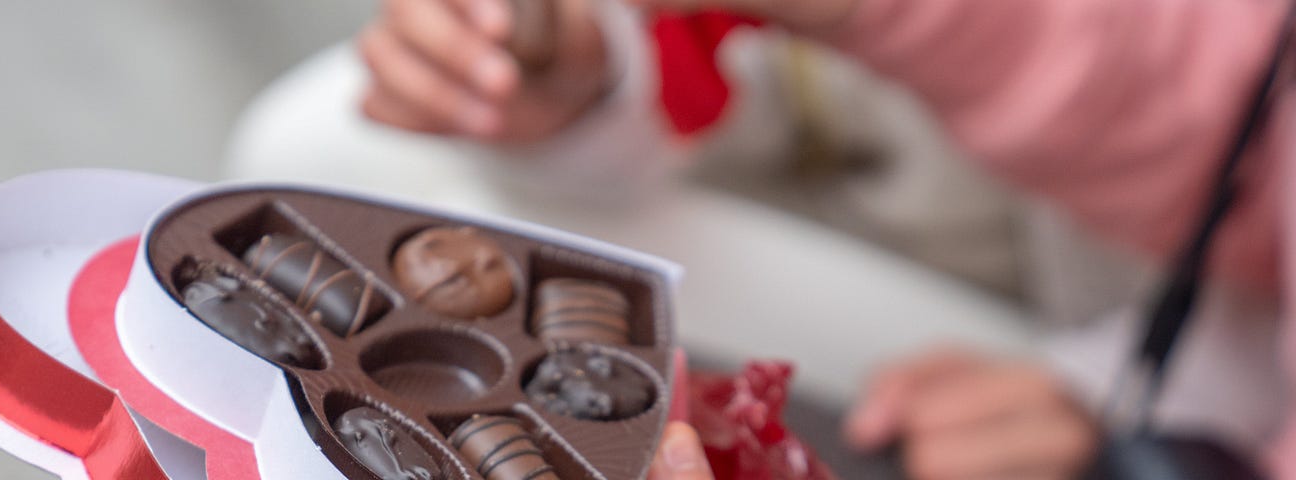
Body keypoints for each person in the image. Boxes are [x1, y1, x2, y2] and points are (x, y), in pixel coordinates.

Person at [355, 0, 1296, 478]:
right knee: (340, 140)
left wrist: (1122, 409)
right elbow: (753, 108)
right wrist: (581, 90)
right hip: (1115, 349)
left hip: (1133, 349)